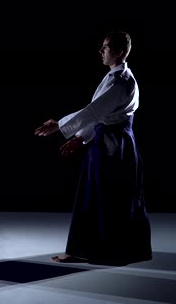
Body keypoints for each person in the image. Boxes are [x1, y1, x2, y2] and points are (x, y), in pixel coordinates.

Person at [34, 31, 152, 266]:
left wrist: (59, 125)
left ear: (118, 52)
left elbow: (94, 111)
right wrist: (80, 138)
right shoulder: (115, 77)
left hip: (114, 145)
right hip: (106, 140)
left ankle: (107, 251)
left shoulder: (122, 81)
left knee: (109, 196)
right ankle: (89, 249)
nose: (101, 51)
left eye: (106, 47)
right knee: (97, 195)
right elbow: (100, 115)